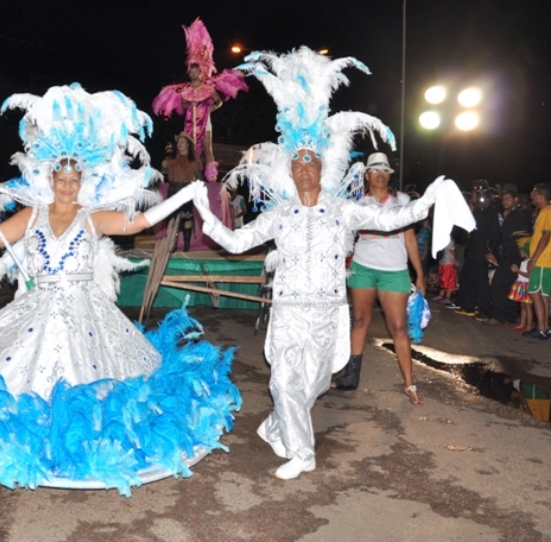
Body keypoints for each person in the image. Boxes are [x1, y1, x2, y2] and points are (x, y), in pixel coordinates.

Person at [0, 85, 240, 496]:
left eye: (74, 179)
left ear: (82, 181)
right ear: (51, 177)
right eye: (61, 177)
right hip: (36, 310)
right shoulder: (34, 213)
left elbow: (140, 224)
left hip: (87, 314)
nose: (67, 184)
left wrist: (183, 194)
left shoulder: (93, 217)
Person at [193, 47, 455, 480]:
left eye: (311, 162)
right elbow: (238, 242)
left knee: (312, 386)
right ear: (291, 173)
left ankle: (278, 424)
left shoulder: (342, 209)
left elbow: (390, 218)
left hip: (329, 313)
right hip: (289, 311)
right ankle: (302, 452)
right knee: (282, 382)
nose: (304, 170)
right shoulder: (279, 215)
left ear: (323, 167)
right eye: (297, 164)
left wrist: (427, 200)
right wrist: (206, 216)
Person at [333, 151, 426, 405]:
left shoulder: (402, 200)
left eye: (385, 170)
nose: (381, 174)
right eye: (375, 170)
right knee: (360, 320)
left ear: (389, 175)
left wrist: (419, 273)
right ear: (367, 175)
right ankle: (350, 377)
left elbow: (409, 238)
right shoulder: (356, 202)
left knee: (398, 327)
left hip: (395, 270)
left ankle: (409, 383)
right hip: (362, 267)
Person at [153, 18, 248, 181]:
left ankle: (211, 176)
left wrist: (210, 109)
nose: (193, 73)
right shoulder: (185, 89)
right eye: (191, 71)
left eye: (196, 71)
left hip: (206, 121)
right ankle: (189, 175)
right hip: (190, 122)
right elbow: (182, 106)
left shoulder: (208, 87)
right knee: (189, 150)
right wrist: (188, 103)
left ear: (201, 72)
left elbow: (218, 102)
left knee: (207, 148)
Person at [482, 184, 533, 326]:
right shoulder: (514, 215)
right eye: (503, 199)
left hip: (513, 256)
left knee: (498, 284)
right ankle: (510, 316)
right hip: (509, 255)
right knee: (510, 286)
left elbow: (506, 235)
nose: (505, 202)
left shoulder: (519, 215)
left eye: (508, 199)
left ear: (516, 199)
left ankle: (499, 316)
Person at [453, 182, 501, 320]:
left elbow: (490, 234)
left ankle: (484, 310)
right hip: (475, 249)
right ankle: (467, 305)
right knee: (468, 277)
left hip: (481, 251)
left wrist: (490, 250)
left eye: (475, 195)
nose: (473, 197)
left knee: (480, 281)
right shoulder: (480, 212)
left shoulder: (486, 213)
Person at [522, 183, 551, 340]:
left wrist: (534, 259)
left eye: (533, 193)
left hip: (543, 260)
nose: (531, 196)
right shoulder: (548, 212)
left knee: (534, 292)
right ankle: (544, 329)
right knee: (543, 295)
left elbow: (545, 237)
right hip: (547, 261)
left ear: (540, 196)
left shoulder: (547, 213)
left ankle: (541, 328)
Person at [161, 131, 202, 251]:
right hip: (173, 190)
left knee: (187, 217)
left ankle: (186, 244)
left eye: (182, 142)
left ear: (188, 144)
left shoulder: (194, 159)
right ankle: (172, 244)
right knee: (172, 218)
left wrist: (200, 189)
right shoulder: (172, 158)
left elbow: (199, 176)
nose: (179, 144)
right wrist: (164, 164)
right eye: (178, 142)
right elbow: (163, 172)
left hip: (187, 190)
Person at [508, 242, 533, 333]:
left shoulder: (530, 262)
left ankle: (529, 326)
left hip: (526, 285)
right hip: (521, 284)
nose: (520, 252)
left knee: (527, 306)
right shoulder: (524, 261)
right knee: (523, 306)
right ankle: (522, 324)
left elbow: (530, 275)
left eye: (521, 250)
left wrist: (518, 271)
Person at [432, 235, 458, 304]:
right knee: (443, 280)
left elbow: (452, 250)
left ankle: (447, 296)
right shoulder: (443, 240)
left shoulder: (450, 241)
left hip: (448, 263)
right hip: (443, 262)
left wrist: (455, 260)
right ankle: (441, 295)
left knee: (449, 280)